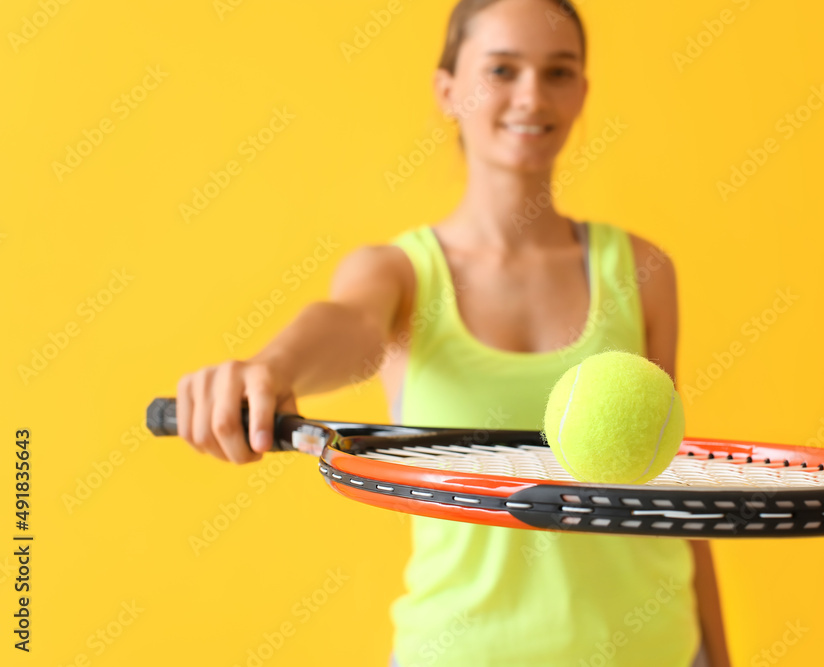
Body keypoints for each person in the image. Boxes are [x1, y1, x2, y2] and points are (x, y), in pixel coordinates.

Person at [174, 0, 730, 664]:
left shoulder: (642, 269)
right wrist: (273, 367)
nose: (531, 95)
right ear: (447, 90)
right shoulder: (400, 273)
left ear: (582, 91)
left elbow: (675, 487)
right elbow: (349, 326)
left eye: (559, 72)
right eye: (501, 69)